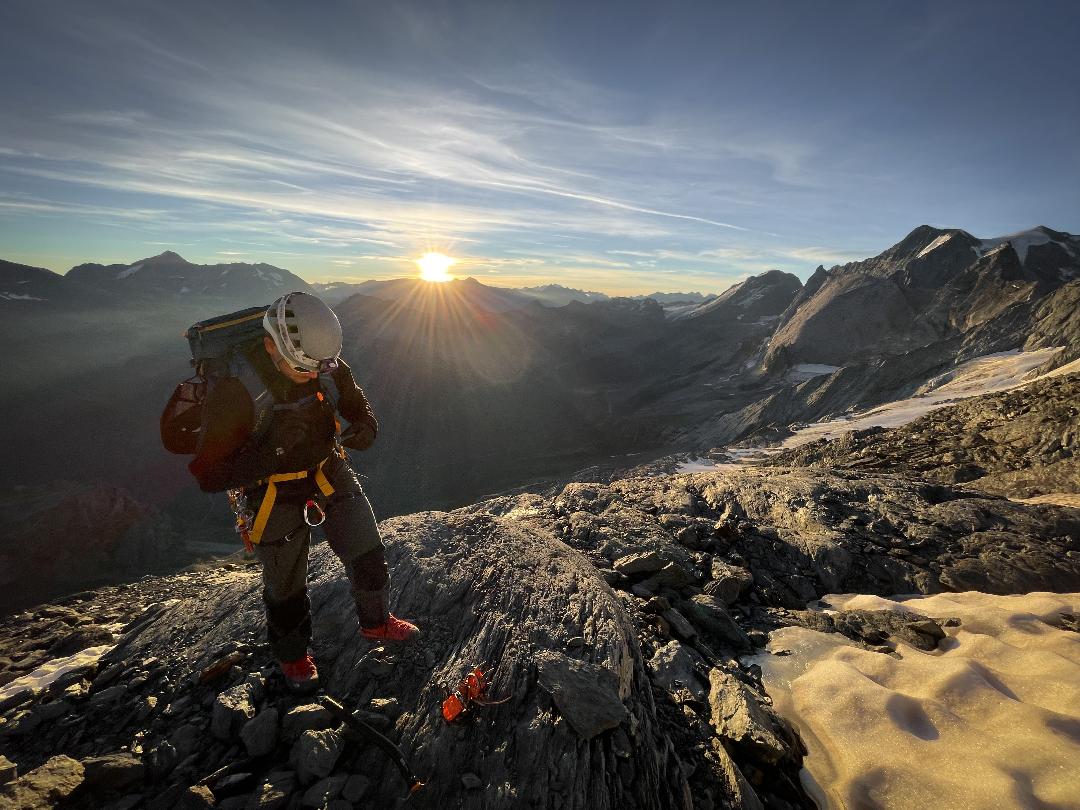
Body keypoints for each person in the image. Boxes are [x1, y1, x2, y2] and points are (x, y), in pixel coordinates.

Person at [189, 291, 418, 692]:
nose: (313, 376)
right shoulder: (234, 391)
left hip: (328, 469)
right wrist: (272, 451)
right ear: (270, 345)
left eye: (319, 368)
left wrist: (365, 425)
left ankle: (377, 623)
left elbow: (353, 400)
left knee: (366, 548)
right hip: (271, 491)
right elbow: (209, 475)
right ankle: (293, 657)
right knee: (286, 583)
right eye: (302, 370)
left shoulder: (321, 362)